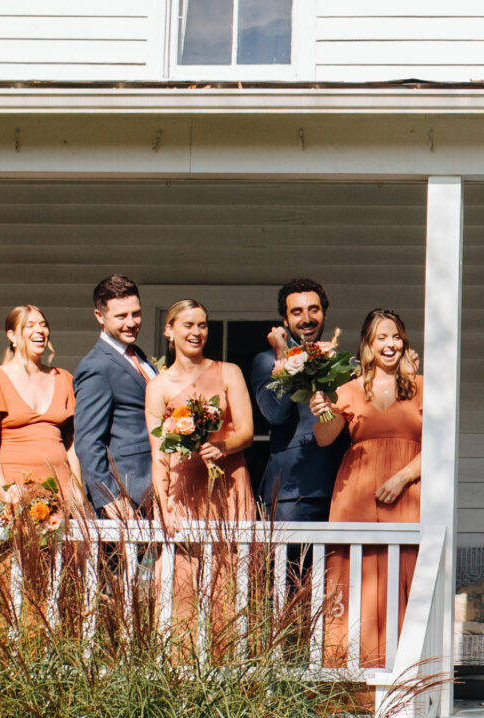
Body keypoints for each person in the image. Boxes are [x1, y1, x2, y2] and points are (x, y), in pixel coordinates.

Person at [145, 297, 256, 647]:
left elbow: (246, 431)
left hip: (227, 482)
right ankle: (179, 662)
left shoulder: (229, 371)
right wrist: (162, 505)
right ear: (169, 330)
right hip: (184, 488)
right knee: (180, 579)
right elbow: (159, 453)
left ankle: (229, 660)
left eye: (202, 325)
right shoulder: (158, 386)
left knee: (228, 576)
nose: (197, 332)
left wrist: (223, 445)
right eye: (188, 325)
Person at [325, 309, 426, 666]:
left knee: (404, 573)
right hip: (357, 495)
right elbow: (324, 438)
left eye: (396, 336)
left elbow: (439, 444)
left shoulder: (421, 387)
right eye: (382, 337)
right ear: (368, 345)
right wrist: (322, 409)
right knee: (356, 575)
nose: (391, 344)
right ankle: (350, 674)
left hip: (407, 493)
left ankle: (405, 672)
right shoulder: (349, 389)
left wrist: (402, 477)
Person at [0, 304, 87, 516]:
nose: (39, 330)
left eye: (43, 325)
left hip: (61, 491)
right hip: (15, 491)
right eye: (29, 325)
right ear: (11, 335)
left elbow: (72, 444)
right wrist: (6, 495)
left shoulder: (63, 378)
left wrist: (77, 489)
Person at [250, 277, 349, 522]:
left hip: (343, 485)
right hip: (293, 490)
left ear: (324, 314)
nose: (306, 318)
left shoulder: (341, 362)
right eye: (297, 312)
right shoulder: (267, 360)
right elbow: (276, 414)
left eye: (314, 310)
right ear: (285, 320)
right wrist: (283, 356)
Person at [72, 274, 156, 521]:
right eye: (121, 316)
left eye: (136, 314)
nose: (131, 323)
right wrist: (110, 497)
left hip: (156, 490)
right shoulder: (96, 366)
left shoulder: (139, 356)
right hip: (127, 496)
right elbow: (88, 441)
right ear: (100, 316)